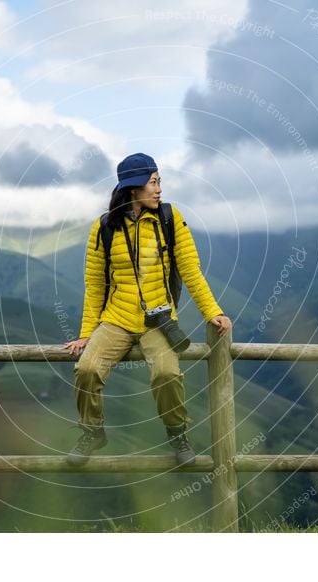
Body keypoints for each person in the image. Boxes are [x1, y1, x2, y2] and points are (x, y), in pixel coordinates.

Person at [63, 152, 232, 466]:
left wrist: (213, 312)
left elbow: (191, 270)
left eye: (158, 182)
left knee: (167, 373)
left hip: (159, 320)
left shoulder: (170, 218)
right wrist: (87, 333)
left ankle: (178, 434)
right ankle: (92, 432)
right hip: (115, 319)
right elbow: (95, 285)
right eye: (153, 183)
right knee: (86, 370)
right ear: (133, 188)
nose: (158, 189)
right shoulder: (104, 227)